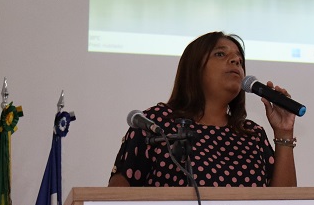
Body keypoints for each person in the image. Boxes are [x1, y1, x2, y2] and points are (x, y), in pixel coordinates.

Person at [108, 32, 297, 188]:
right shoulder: (154, 124)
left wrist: (284, 132)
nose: (235, 61)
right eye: (220, 54)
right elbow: (117, 199)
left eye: (240, 60)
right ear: (194, 67)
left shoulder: (252, 134)